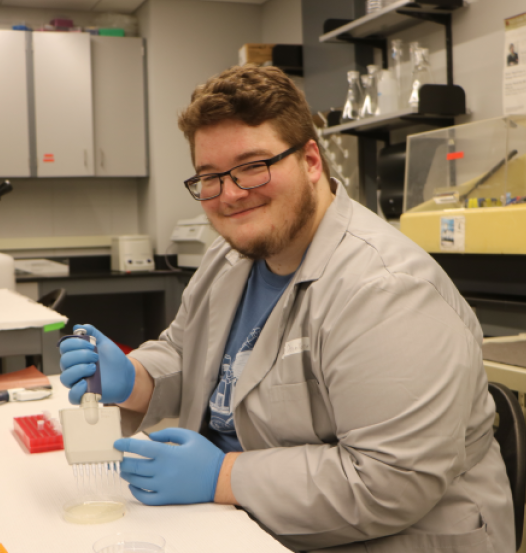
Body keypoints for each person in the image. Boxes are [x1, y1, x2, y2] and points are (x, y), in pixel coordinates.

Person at [59, 65, 514, 553]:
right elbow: (186, 351)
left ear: (312, 160)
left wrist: (223, 476)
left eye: (253, 165)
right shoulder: (231, 256)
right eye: (210, 177)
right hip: (247, 523)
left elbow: (390, 481)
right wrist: (133, 379)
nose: (230, 194)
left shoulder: (386, 289)